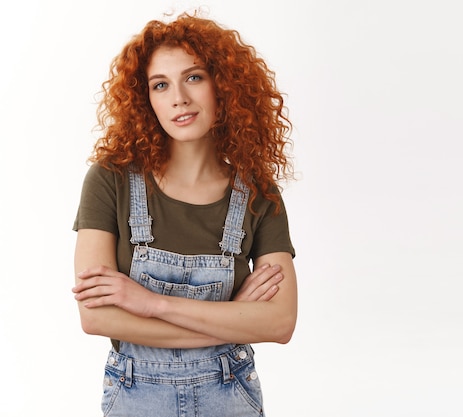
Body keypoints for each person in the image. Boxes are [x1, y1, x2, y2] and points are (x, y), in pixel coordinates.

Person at [72, 10, 297, 417]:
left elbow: (280, 323)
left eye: (194, 77)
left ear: (224, 85)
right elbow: (96, 316)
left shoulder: (259, 196)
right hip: (135, 396)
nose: (179, 97)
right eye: (161, 85)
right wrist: (232, 320)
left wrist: (150, 304)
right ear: (146, 100)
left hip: (230, 396)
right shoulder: (111, 181)